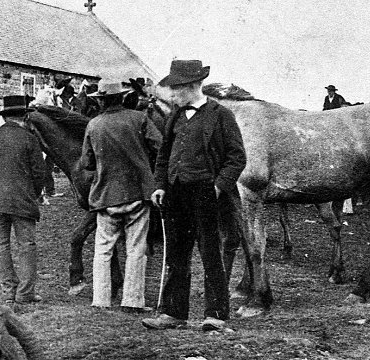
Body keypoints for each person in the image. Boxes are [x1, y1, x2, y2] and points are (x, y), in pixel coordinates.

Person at [143, 60, 247, 332]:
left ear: (191, 86)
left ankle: (216, 315)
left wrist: (218, 186)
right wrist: (160, 185)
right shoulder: (176, 116)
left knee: (211, 253)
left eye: (175, 89)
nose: (172, 94)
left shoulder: (221, 115)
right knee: (177, 253)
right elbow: (164, 155)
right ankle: (173, 313)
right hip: (176, 193)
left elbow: (237, 158)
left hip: (207, 194)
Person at [81, 80, 162, 313]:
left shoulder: (94, 125)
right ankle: (133, 301)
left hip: (105, 195)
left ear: (100, 99)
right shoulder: (139, 119)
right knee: (136, 249)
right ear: (123, 97)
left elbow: (86, 163)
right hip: (138, 193)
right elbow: (160, 146)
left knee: (103, 250)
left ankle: (101, 299)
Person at [0, 95, 49, 305]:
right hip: (22, 200)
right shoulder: (30, 139)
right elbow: (40, 173)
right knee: (26, 244)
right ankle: (25, 293)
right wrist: (32, 193)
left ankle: (9, 291)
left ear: (6, 116)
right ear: (25, 116)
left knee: (1, 245)